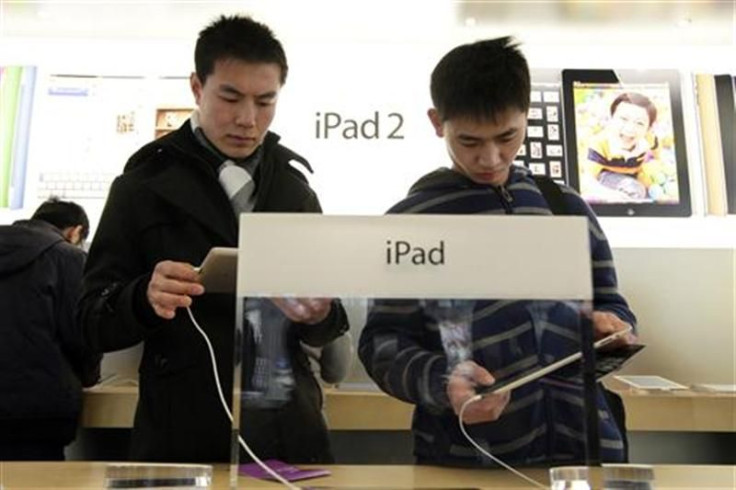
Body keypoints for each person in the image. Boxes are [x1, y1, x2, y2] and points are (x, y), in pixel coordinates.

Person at [78, 14, 348, 464]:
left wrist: (318, 310)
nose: (247, 119)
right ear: (196, 88)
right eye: (230, 97)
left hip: (289, 428)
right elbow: (89, 319)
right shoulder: (142, 186)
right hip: (179, 429)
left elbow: (329, 321)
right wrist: (143, 297)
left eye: (265, 101)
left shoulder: (295, 190)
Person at [358, 37, 638, 468]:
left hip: (585, 450)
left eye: (507, 136)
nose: (490, 157)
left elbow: (612, 303)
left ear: (527, 115)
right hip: (466, 458)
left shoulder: (563, 205)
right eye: (469, 140)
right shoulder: (409, 222)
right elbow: (381, 342)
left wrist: (611, 329)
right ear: (437, 122)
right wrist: (442, 381)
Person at [0, 197, 101, 460]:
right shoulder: (68, 258)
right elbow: (81, 333)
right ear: (75, 231)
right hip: (37, 411)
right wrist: (89, 375)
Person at [584, 92, 666, 200]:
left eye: (639, 123)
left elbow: (656, 148)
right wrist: (607, 194)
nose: (630, 128)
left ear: (648, 128)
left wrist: (659, 161)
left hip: (635, 172)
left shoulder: (648, 138)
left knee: (651, 183)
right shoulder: (600, 144)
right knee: (635, 190)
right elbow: (587, 178)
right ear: (611, 119)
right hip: (607, 174)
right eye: (624, 119)